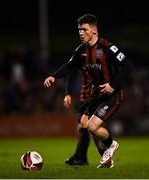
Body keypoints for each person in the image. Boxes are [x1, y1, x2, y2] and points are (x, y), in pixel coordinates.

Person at [44, 14, 133, 168]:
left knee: (91, 126)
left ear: (94, 30)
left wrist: (112, 84)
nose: (81, 33)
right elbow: (69, 66)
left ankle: (111, 145)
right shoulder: (81, 50)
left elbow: (128, 66)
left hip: (113, 95)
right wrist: (54, 76)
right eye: (79, 29)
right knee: (88, 126)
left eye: (84, 29)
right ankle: (106, 160)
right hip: (96, 95)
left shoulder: (107, 48)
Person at [63, 71, 107, 166]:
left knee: (89, 127)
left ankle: (84, 157)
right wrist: (68, 93)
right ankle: (81, 157)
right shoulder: (82, 57)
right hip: (84, 97)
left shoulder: (98, 60)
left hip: (95, 97)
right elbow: (71, 72)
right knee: (84, 127)